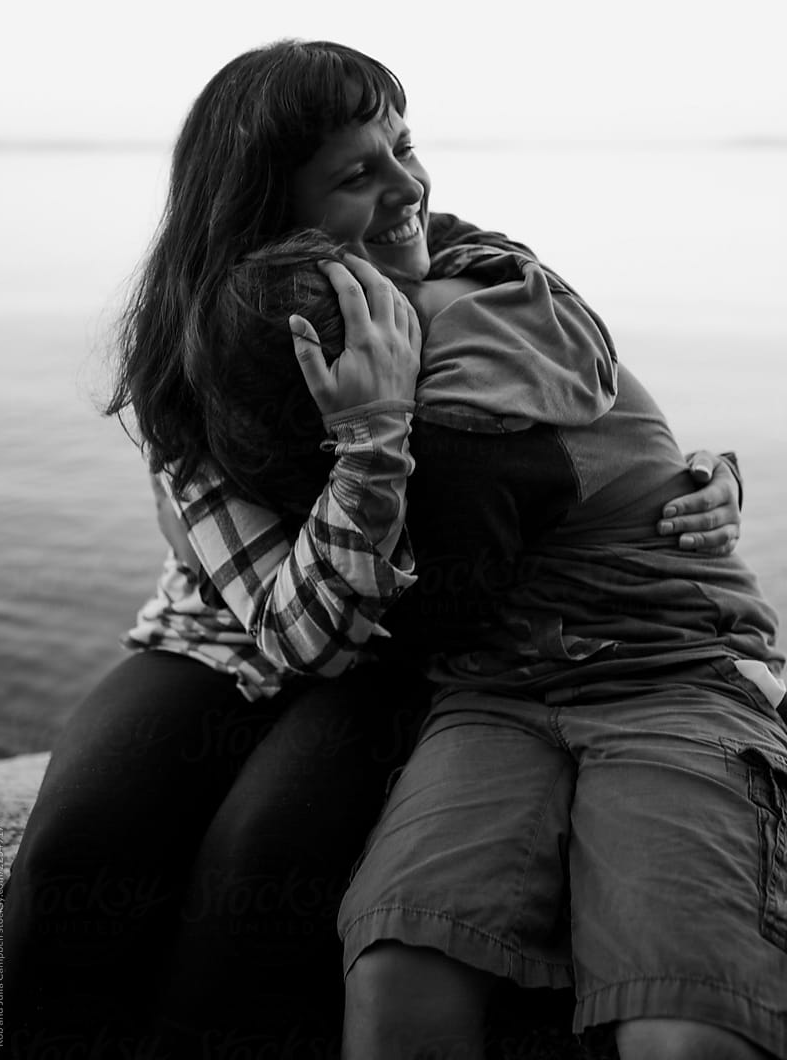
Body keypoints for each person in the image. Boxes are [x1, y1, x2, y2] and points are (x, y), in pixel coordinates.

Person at [0, 40, 746, 1059]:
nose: (407, 186)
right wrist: (371, 435)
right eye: (358, 173)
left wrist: (695, 472)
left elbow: (592, 424)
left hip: (391, 653)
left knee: (264, 860)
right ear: (268, 208)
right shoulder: (209, 347)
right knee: (73, 857)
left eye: (403, 145)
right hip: (228, 632)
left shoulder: (454, 268)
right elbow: (295, 634)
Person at [181, 224, 786, 1060]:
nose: (402, 196)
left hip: (672, 678)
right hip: (496, 695)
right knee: (399, 964)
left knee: (686, 1021)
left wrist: (371, 434)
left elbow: (421, 620)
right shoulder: (404, 302)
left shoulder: (473, 382)